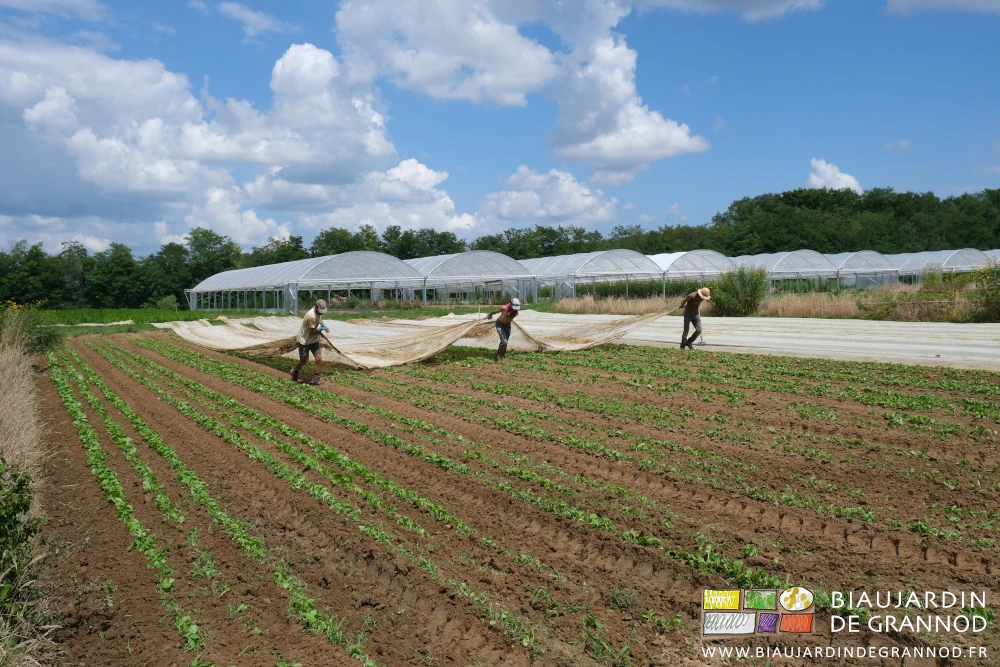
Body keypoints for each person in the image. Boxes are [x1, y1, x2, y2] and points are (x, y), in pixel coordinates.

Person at [292, 299, 328, 384]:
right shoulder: (311, 316)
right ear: (316, 308)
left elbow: (319, 318)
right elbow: (312, 332)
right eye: (320, 311)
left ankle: (316, 378)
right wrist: (321, 329)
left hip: (314, 340)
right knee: (303, 361)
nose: (322, 313)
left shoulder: (317, 311)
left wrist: (323, 325)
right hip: (305, 341)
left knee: (318, 358)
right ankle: (295, 371)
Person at [486, 297, 521, 362]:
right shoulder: (504, 308)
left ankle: (500, 355)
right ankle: (498, 357)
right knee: (504, 341)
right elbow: (496, 311)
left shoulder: (515, 310)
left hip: (507, 326)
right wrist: (490, 315)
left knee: (505, 342)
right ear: (511, 304)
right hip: (500, 324)